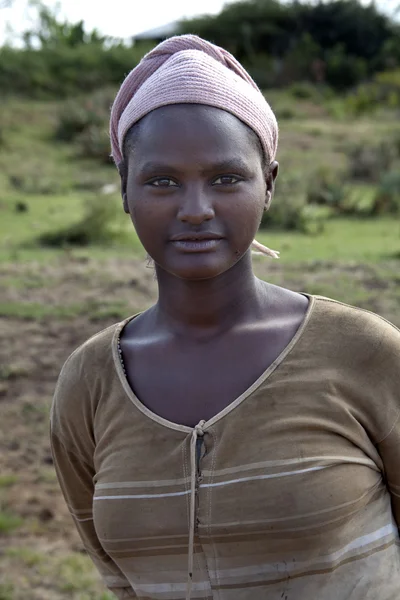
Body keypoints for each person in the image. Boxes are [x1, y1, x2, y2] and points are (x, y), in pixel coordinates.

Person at [50, 35, 400, 600]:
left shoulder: (365, 354)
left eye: (226, 178)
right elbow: (117, 576)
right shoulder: (90, 382)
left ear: (270, 186)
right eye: (162, 181)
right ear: (124, 192)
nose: (195, 210)